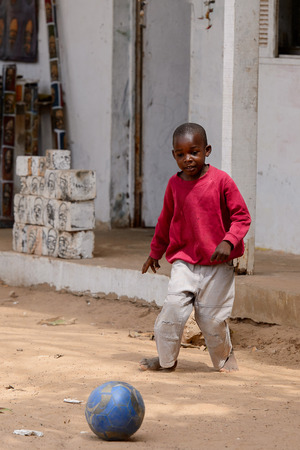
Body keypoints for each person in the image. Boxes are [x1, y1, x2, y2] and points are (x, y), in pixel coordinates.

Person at [139, 123, 251, 373]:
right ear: (174, 155)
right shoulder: (174, 185)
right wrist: (155, 252)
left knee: (212, 319)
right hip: (184, 263)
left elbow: (241, 217)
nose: (188, 159)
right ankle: (166, 360)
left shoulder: (221, 181)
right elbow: (164, 220)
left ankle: (223, 358)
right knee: (172, 312)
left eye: (194, 152)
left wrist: (228, 241)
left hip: (217, 265)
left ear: (207, 150)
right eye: (181, 154)